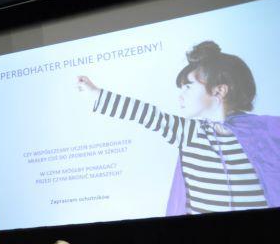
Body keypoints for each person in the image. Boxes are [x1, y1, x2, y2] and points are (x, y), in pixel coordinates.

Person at [77, 40, 280, 215]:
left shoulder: (265, 131)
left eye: (188, 87)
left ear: (219, 90)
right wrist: (96, 94)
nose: (181, 95)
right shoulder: (190, 132)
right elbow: (149, 115)